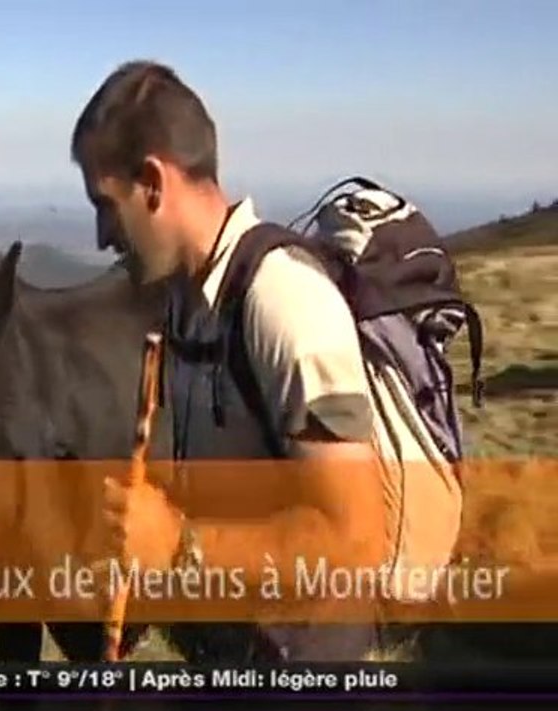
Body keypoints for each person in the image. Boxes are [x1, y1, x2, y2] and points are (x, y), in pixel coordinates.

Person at [70, 60, 389, 661]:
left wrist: (178, 547)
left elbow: (354, 542)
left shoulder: (284, 300)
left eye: (105, 204)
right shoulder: (188, 301)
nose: (100, 235)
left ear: (152, 183)